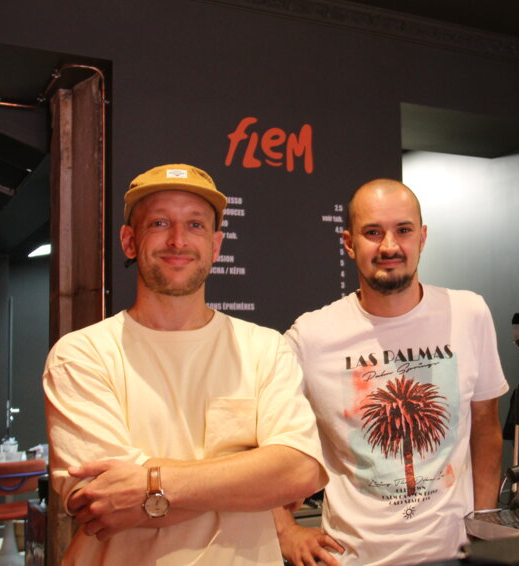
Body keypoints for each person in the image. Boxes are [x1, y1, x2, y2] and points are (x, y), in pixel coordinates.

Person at [43, 163, 327, 566]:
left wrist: (149, 484)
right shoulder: (80, 355)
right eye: (159, 223)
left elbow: (298, 472)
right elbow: (103, 503)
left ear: (215, 245)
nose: (178, 240)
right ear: (129, 241)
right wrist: (253, 478)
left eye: (195, 225)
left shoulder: (265, 349)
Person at [274, 179, 509, 566]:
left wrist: (485, 527)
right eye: (372, 233)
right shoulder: (311, 336)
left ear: (422, 237)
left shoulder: (469, 313)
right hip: (352, 559)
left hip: (455, 556)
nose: (389, 247)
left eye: (403, 230)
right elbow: (257, 435)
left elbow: (485, 427)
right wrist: (284, 529)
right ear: (349, 243)